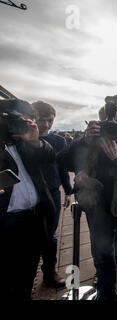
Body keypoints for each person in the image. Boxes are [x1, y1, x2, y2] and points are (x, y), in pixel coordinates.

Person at [57, 103, 117, 300]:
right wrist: (83, 141)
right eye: (110, 123)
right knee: (102, 257)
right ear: (99, 123)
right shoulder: (90, 141)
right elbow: (61, 160)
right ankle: (106, 293)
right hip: (97, 209)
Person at [0, 99, 56, 300]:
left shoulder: (22, 141)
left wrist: (34, 140)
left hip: (33, 218)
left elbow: (49, 157)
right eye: (15, 120)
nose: (21, 124)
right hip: (6, 224)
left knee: (27, 274)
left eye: (26, 120)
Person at [32, 101, 73, 288]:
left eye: (50, 120)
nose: (46, 125)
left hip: (53, 192)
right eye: (41, 120)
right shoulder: (19, 139)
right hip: (30, 194)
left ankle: (49, 272)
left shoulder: (58, 141)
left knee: (51, 234)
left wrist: (68, 191)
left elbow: (63, 168)